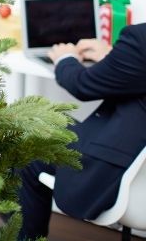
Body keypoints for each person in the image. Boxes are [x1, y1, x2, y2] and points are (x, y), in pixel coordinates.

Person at [17, 28, 146, 239]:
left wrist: (65, 58)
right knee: (48, 121)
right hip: (139, 161)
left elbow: (83, 84)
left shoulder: (140, 39)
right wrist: (114, 56)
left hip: (116, 171)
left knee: (28, 141)